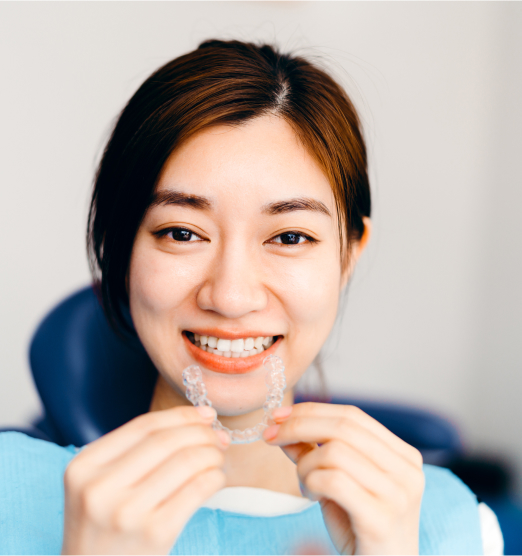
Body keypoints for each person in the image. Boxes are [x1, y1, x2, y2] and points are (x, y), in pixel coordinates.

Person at [0, 39, 503, 555]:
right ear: (120, 250)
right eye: (181, 232)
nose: (232, 296)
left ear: (349, 255)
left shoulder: (451, 526)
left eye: (289, 237)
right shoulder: (8, 494)